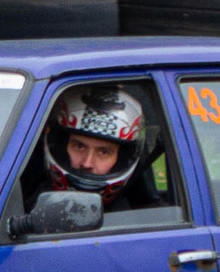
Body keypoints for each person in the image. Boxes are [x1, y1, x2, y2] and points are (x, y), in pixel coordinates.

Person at [21, 84, 166, 214]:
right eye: (79, 146)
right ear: (60, 146)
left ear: (121, 159)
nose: (87, 163)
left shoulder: (139, 224)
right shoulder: (17, 206)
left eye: (104, 152)